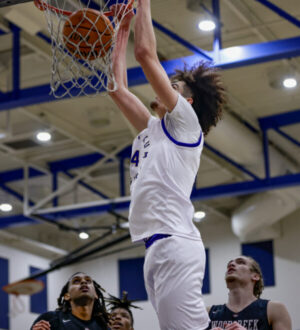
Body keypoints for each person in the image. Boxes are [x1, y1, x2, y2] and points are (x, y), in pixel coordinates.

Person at [109, 1, 226, 329]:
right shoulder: (152, 130)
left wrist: (141, 4)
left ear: (186, 102)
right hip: (155, 247)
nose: (162, 87)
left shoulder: (187, 124)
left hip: (176, 244)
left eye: (171, 86)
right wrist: (120, 29)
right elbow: (115, 88)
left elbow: (145, 54)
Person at [207, 256, 292, 330]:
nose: (231, 264)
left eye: (241, 262)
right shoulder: (208, 312)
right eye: (229, 264)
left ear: (255, 276)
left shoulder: (274, 309)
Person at [31, 272, 109, 330]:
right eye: (76, 281)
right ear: (67, 296)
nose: (84, 282)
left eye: (88, 281)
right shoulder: (50, 319)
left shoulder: (104, 327)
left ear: (96, 295)